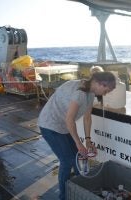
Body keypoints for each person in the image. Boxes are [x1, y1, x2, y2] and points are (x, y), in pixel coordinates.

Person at [38, 71, 116, 200]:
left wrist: (88, 141)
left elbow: (87, 118)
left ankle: (82, 189)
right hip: (50, 125)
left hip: (62, 126)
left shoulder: (90, 92)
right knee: (67, 161)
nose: (106, 94)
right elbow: (70, 120)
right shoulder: (79, 93)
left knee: (79, 158)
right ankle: (64, 196)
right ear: (98, 83)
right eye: (106, 90)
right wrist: (79, 144)